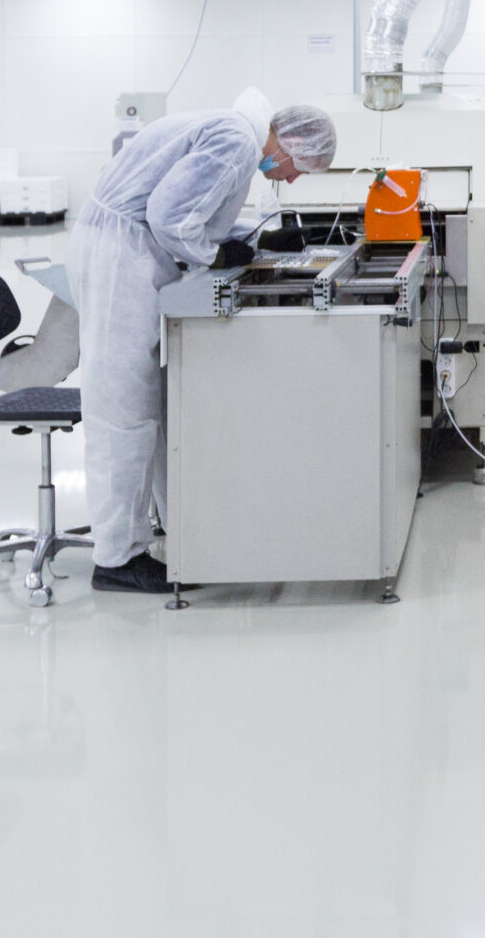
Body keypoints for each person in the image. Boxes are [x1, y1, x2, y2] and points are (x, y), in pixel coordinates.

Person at [71, 92, 339, 593]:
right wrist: (217, 257)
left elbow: (198, 215)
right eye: (301, 168)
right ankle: (116, 559)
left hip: (133, 256)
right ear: (289, 148)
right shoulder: (238, 141)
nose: (294, 179)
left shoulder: (235, 136)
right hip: (119, 261)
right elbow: (170, 218)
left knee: (156, 406)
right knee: (123, 410)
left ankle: (176, 530)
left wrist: (258, 240)